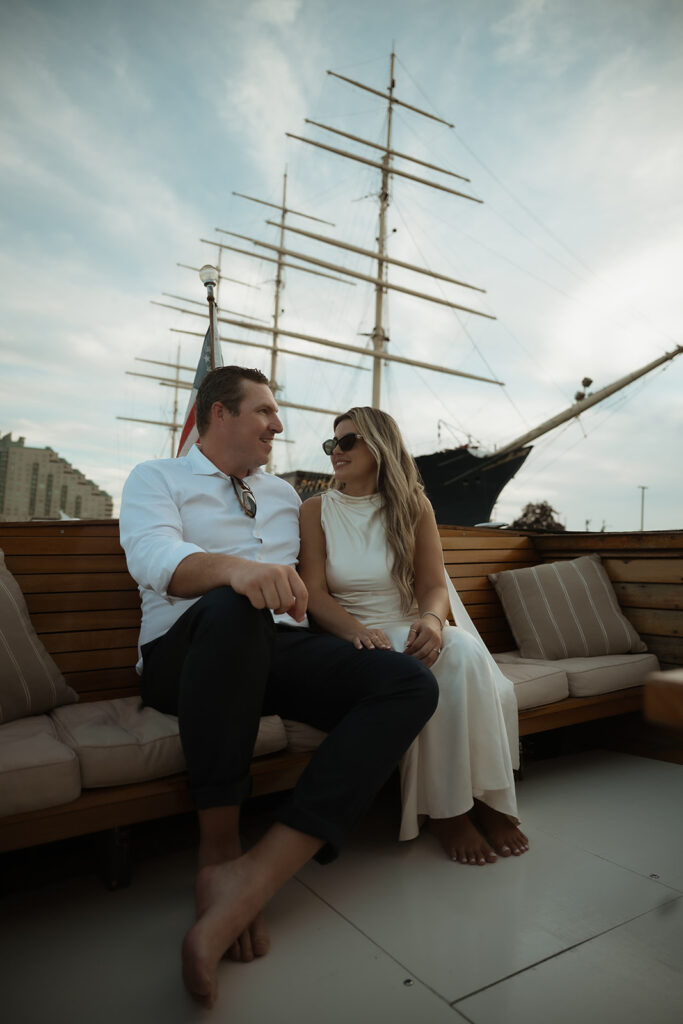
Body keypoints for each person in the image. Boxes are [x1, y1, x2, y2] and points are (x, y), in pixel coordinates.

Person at [118, 368, 438, 1007]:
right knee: (234, 606)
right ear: (219, 414)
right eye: (264, 410)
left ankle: (255, 876)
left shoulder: (285, 496)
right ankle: (218, 852)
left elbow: (315, 585)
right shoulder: (157, 478)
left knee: (406, 682)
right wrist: (236, 572)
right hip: (185, 653)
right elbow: (152, 559)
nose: (278, 424)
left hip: (275, 651)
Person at [298, 406, 529, 867]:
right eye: (331, 443)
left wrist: (433, 622)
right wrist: (358, 631)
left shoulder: (414, 506)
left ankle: (486, 800)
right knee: (433, 664)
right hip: (357, 635)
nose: (336, 451)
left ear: (379, 446)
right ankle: (449, 813)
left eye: (348, 441)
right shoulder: (315, 510)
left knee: (460, 650)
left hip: (412, 623)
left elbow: (433, 586)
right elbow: (314, 594)